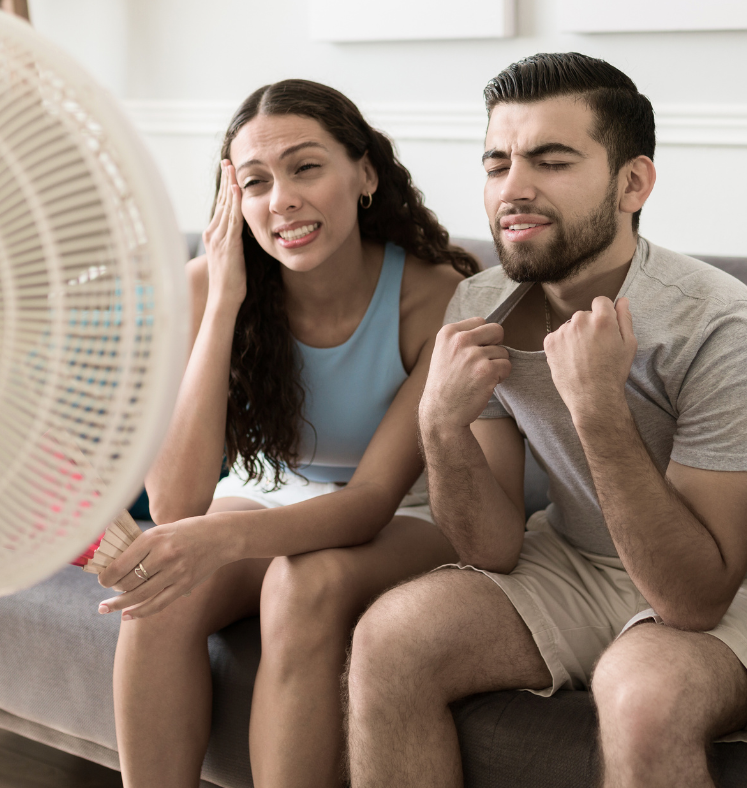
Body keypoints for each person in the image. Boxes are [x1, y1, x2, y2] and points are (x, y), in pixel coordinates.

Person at [345, 52, 747, 788]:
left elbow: (695, 597)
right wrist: (440, 426)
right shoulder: (480, 306)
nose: (514, 190)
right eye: (497, 164)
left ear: (633, 183)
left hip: (724, 584)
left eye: (551, 162)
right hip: (570, 562)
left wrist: (597, 406)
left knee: (644, 697)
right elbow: (490, 547)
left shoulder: (719, 325)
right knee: (389, 637)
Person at [95, 79, 477, 787]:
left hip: (409, 510)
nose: (282, 200)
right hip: (275, 492)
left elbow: (369, 500)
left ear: (364, 173)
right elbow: (177, 505)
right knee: (161, 589)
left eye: (306, 167)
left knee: (301, 584)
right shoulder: (208, 285)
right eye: (256, 182)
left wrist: (223, 539)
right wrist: (224, 301)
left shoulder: (436, 294)